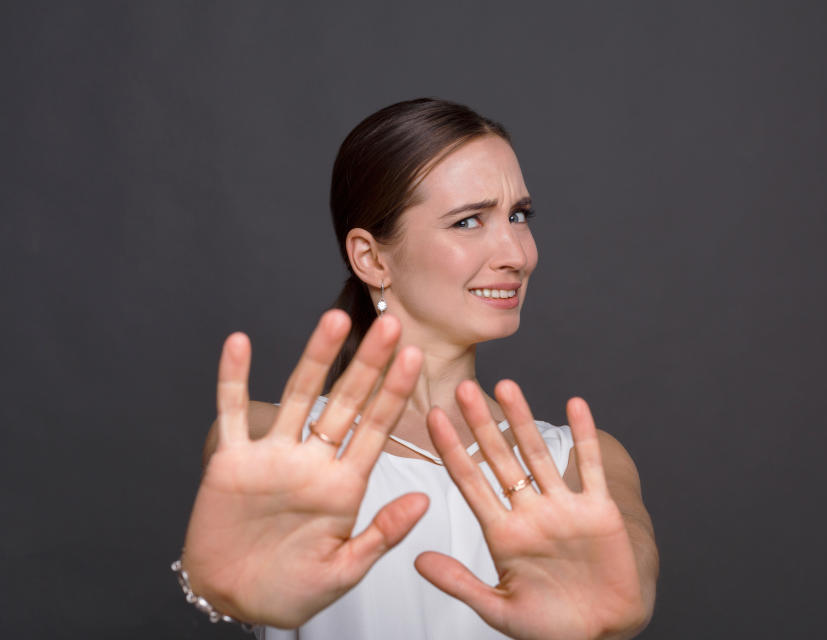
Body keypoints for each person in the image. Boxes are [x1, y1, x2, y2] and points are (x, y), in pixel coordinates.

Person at [178, 98, 659, 639]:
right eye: (468, 220)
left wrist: (616, 605)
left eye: (518, 215)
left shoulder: (582, 463)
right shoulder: (265, 442)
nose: (518, 254)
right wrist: (219, 590)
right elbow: (234, 558)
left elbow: (631, 577)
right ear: (372, 259)